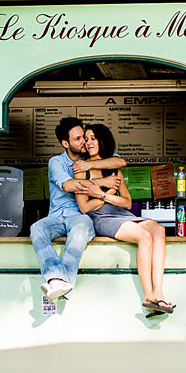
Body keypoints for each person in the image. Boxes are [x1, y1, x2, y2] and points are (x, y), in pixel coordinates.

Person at [76, 123, 175, 314]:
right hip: (101, 218)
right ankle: (149, 297)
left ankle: (159, 292)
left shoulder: (114, 169)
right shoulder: (81, 170)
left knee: (158, 230)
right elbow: (84, 207)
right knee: (144, 237)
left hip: (123, 214)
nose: (88, 142)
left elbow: (127, 202)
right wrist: (104, 194)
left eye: (93, 138)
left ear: (102, 140)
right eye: (86, 139)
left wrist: (104, 194)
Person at [29, 118, 125, 303]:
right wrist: (102, 182)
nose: (84, 142)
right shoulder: (55, 162)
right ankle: (59, 280)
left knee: (81, 229)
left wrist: (90, 165)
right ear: (65, 143)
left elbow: (119, 161)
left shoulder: (92, 157)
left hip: (80, 215)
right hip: (56, 217)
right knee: (37, 228)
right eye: (78, 139)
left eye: (84, 137)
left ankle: (57, 282)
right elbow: (68, 185)